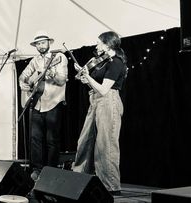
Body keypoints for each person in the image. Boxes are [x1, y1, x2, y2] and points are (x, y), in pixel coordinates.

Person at [71, 31, 128, 195]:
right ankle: (80, 181)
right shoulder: (103, 62)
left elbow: (104, 89)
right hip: (95, 101)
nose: (97, 46)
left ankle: (110, 186)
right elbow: (95, 86)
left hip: (108, 101)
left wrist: (88, 77)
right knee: (85, 142)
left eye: (99, 43)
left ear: (108, 44)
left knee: (106, 145)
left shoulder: (116, 62)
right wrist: (85, 78)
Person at [19, 31, 68, 180]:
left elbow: (61, 80)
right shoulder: (35, 60)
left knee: (51, 139)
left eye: (42, 43)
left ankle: (51, 171)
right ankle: (37, 170)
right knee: (35, 138)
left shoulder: (59, 57)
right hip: (37, 103)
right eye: (38, 44)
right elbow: (23, 76)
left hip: (53, 102)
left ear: (49, 43)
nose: (40, 46)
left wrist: (51, 72)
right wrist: (23, 84)